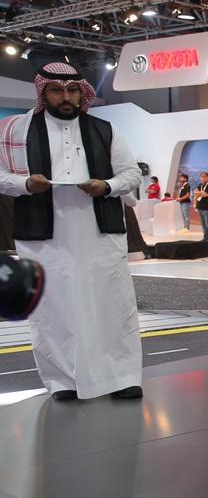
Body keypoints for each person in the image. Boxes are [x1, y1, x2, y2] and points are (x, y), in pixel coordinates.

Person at [0, 61, 143, 400]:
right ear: (43, 92)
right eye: (56, 91)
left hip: (99, 230)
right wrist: (25, 183)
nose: (65, 98)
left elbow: (132, 174)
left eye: (72, 90)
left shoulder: (105, 129)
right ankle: (63, 381)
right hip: (43, 233)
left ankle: (122, 377)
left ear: (82, 93)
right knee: (52, 308)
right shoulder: (16, 131)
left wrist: (106, 185)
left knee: (112, 303)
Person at [194, 170, 208, 243]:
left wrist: (200, 193)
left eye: (204, 177)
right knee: (203, 223)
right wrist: (201, 193)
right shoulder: (200, 185)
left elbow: (205, 194)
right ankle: (205, 237)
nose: (203, 178)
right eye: (201, 177)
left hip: (207, 208)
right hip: (200, 207)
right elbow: (195, 193)